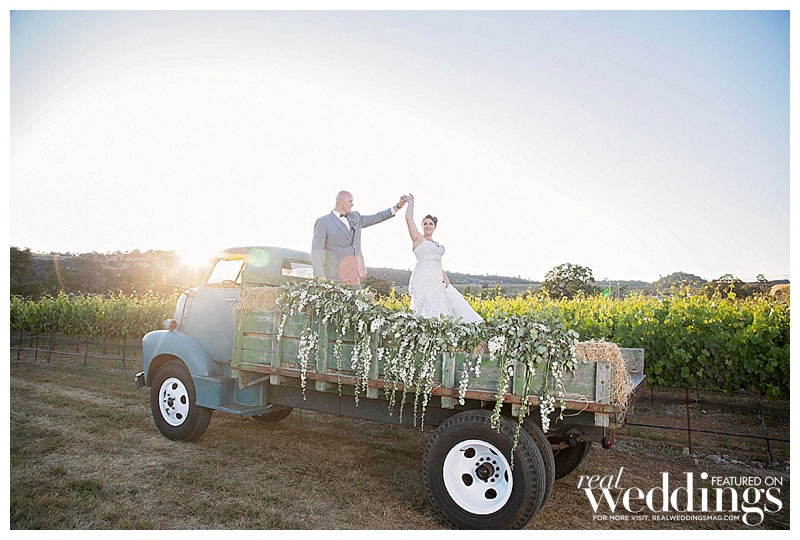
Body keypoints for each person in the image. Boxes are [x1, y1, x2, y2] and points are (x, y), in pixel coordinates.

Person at [404, 194, 483, 323]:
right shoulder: (418, 239)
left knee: (444, 302)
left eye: (431, 223)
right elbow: (408, 219)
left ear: (434, 227)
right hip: (422, 276)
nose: (428, 226)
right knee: (424, 306)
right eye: (425, 224)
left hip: (436, 276)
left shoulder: (436, 244)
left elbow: (436, 261)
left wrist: (443, 274)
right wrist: (411, 204)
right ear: (422, 226)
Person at [312, 190, 409, 287]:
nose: (352, 204)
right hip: (335, 278)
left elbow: (377, 217)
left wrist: (397, 207)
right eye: (350, 201)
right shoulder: (323, 222)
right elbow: (316, 250)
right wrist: (320, 275)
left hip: (355, 277)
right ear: (341, 201)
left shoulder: (356, 217)